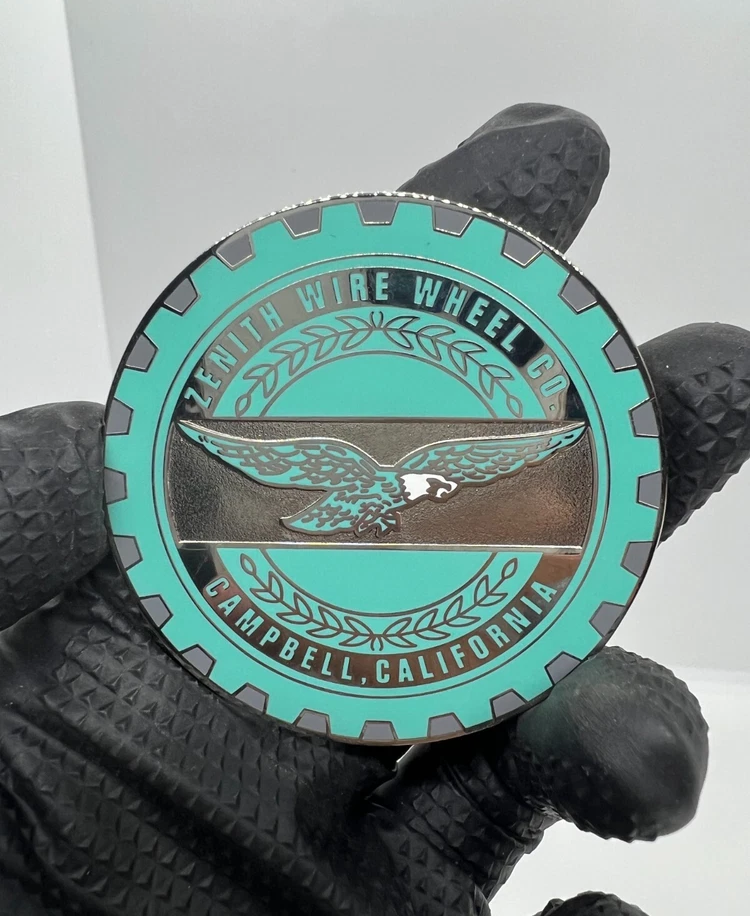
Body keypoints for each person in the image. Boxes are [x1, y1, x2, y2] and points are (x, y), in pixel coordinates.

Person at [0, 104, 748, 916]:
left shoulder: (444, 478)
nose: (439, 491)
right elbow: (267, 459)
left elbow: (488, 465)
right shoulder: (332, 463)